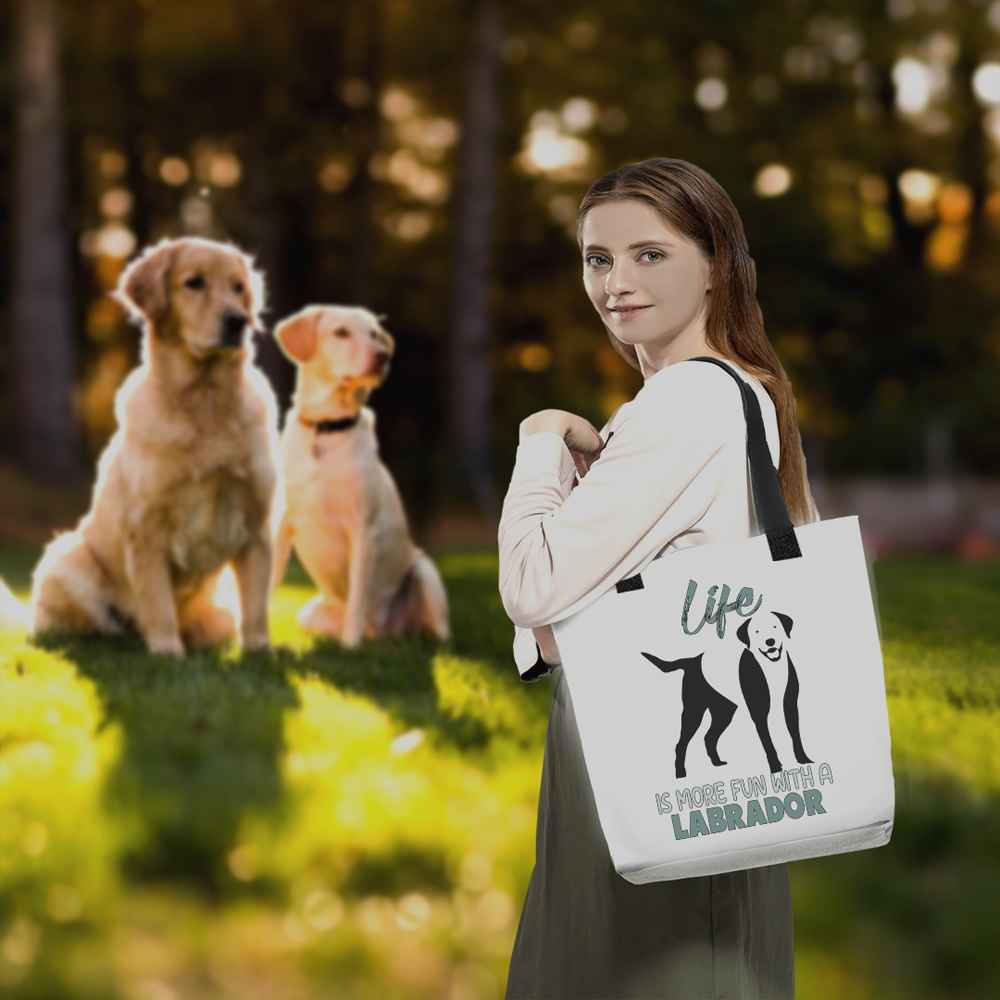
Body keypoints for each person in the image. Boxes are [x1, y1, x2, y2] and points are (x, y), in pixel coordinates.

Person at [497, 157, 821, 1000]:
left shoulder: (687, 403)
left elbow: (532, 590)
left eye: (650, 255)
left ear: (714, 264)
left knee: (639, 967)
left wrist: (537, 440)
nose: (615, 283)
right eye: (598, 259)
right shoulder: (741, 393)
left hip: (648, 753)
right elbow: (561, 612)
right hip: (699, 759)